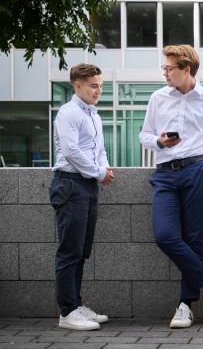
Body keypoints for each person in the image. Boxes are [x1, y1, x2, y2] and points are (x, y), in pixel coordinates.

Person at [139, 45, 203, 329]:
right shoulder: (158, 98)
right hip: (165, 174)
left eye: (170, 69)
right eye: (164, 68)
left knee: (193, 241)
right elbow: (144, 135)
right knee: (165, 235)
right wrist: (159, 141)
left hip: (197, 171)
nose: (165, 73)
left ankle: (185, 306)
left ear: (187, 69)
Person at [50, 63, 115, 330]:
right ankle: (67, 312)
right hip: (70, 185)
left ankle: (75, 304)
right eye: (93, 85)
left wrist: (103, 167)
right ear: (77, 85)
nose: (99, 90)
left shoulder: (94, 115)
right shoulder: (68, 113)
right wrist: (99, 172)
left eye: (100, 85)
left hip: (87, 186)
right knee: (69, 251)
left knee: (81, 251)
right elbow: (72, 152)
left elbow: (98, 149)